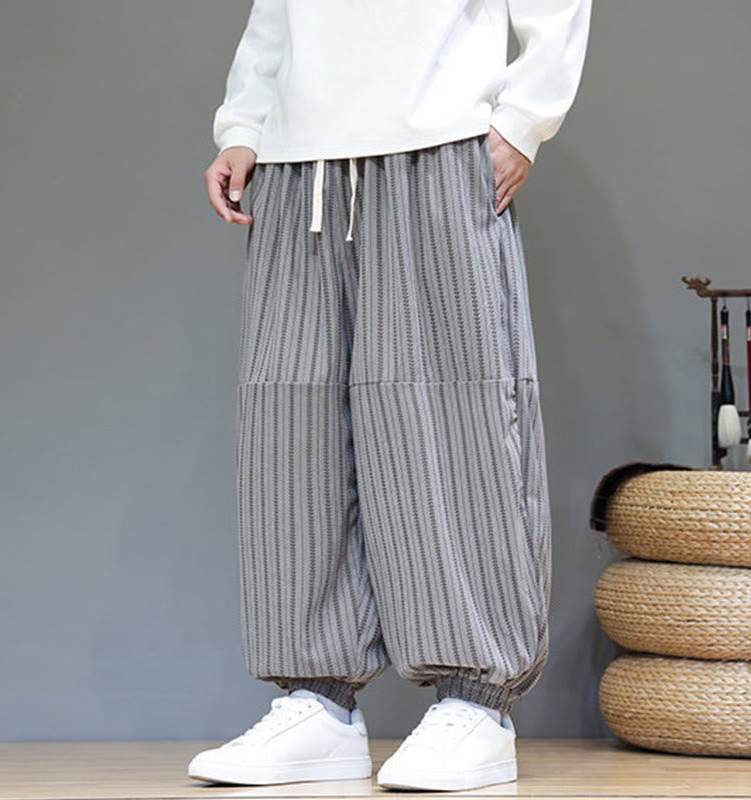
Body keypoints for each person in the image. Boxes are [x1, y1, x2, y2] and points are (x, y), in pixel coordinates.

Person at [192, 0, 591, 792]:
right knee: (293, 422)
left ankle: (477, 703)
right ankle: (318, 700)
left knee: (450, 417)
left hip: (437, 140)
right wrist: (244, 123)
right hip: (296, 162)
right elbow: (277, 14)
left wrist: (523, 120)